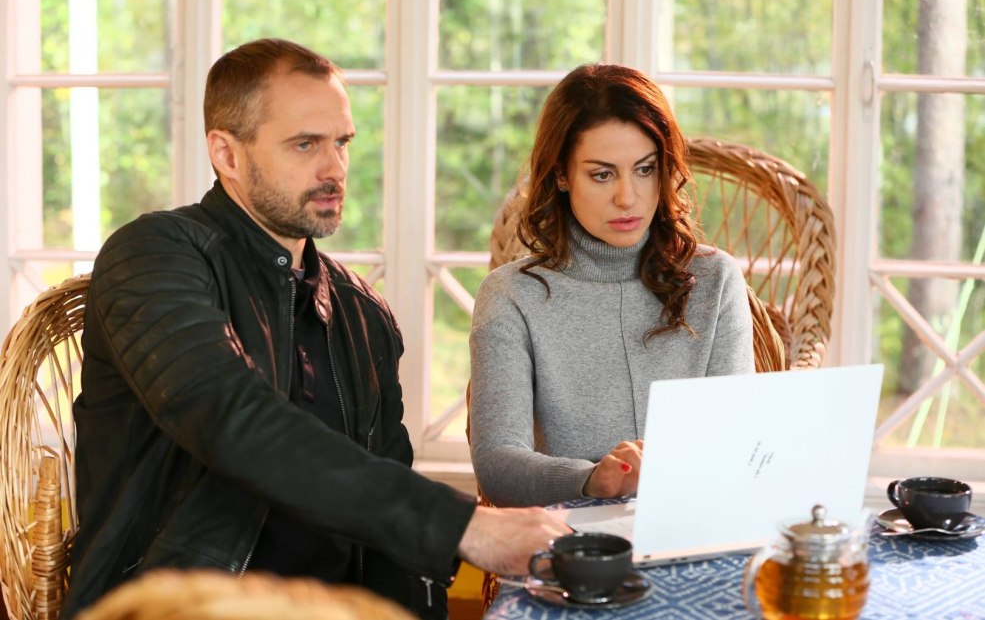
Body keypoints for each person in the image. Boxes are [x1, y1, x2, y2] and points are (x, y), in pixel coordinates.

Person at [63, 38, 568, 620]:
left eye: (341, 142)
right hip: (175, 609)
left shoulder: (362, 312)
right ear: (226, 154)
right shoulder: (153, 255)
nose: (334, 169)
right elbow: (231, 417)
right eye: (305, 144)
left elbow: (390, 546)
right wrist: (464, 526)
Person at [468, 63, 755, 508]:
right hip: (571, 538)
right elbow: (497, 465)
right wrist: (591, 479)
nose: (628, 197)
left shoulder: (716, 280)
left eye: (645, 169)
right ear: (561, 175)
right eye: (602, 174)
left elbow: (738, 442)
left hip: (700, 524)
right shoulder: (510, 296)